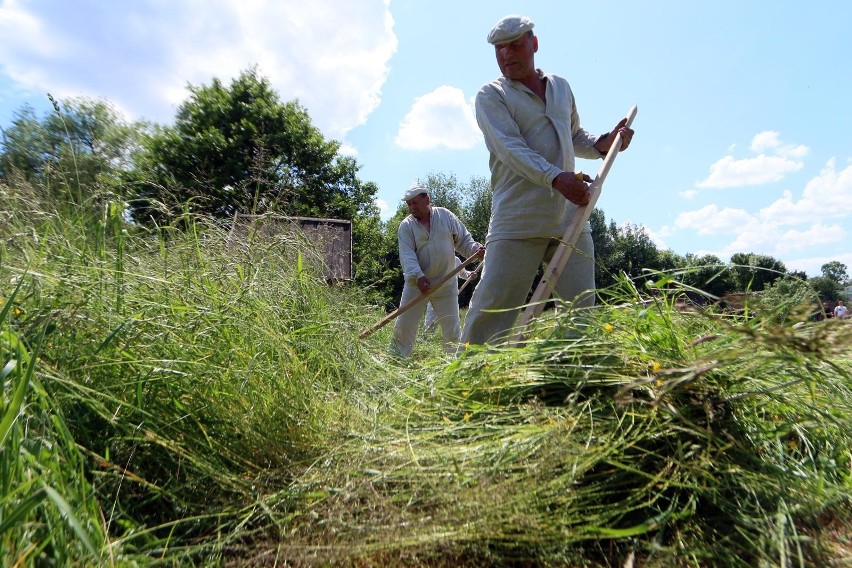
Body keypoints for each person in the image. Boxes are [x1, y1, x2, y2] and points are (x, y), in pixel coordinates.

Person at [461, 14, 635, 347]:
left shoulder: (560, 87)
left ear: (534, 44)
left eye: (514, 45)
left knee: (581, 309)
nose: (506, 54)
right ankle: (470, 380)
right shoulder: (491, 96)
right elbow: (511, 149)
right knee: (493, 309)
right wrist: (556, 177)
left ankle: (577, 374)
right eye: (499, 48)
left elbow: (572, 136)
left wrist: (601, 144)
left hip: (570, 216)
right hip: (518, 218)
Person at [391, 182, 485, 357]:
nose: (412, 207)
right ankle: (398, 359)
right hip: (416, 285)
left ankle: (454, 363)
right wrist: (418, 277)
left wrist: (475, 250)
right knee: (404, 325)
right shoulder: (406, 226)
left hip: (446, 283)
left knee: (452, 330)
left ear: (427, 199)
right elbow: (407, 256)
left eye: (415, 203)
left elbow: (463, 240)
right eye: (409, 204)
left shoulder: (445, 216)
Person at [424, 257, 478, 334]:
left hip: (451, 295)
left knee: (453, 321)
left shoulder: (456, 260)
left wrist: (470, 275)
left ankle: (455, 342)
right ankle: (427, 338)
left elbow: (463, 273)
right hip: (435, 294)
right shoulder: (434, 259)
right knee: (430, 322)